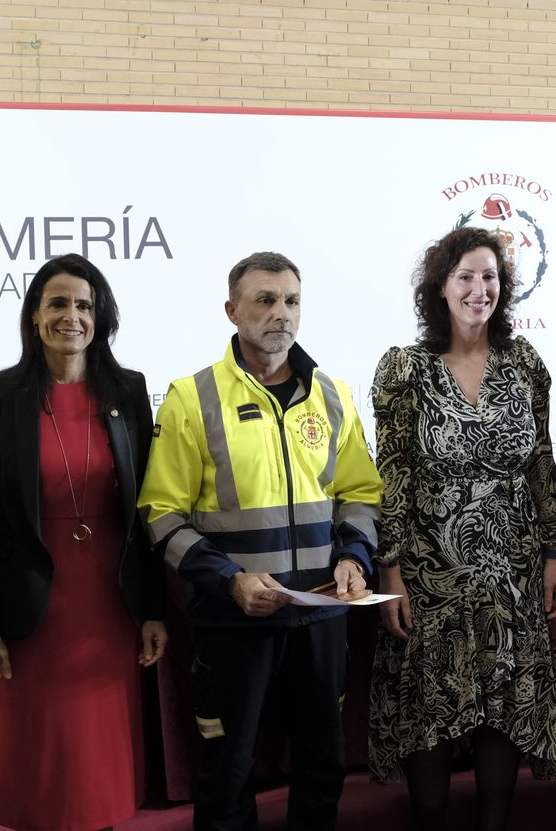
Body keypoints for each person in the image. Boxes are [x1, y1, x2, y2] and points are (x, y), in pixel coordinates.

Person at [138, 251, 382, 831]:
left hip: (321, 614)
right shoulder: (192, 397)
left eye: (292, 301)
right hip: (234, 619)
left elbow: (361, 493)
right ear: (232, 311)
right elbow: (161, 514)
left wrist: (353, 556)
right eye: (265, 300)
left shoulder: (333, 394)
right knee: (228, 770)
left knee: (323, 766)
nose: (281, 313)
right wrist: (230, 581)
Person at [368, 226, 556, 831]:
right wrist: (390, 570)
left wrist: (553, 555)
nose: (479, 289)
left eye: (490, 276)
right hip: (429, 574)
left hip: (511, 572)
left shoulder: (524, 364)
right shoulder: (405, 368)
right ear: (440, 287)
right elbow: (393, 474)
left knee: (504, 709)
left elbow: (541, 464)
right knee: (428, 712)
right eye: (465, 276)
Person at [0, 254, 169, 831]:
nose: (71, 316)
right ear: (34, 316)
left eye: (84, 305)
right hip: (30, 605)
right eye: (57, 303)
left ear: (100, 318)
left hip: (109, 602)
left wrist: (153, 610)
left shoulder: (128, 390)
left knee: (99, 767)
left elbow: (145, 512)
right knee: (44, 764)